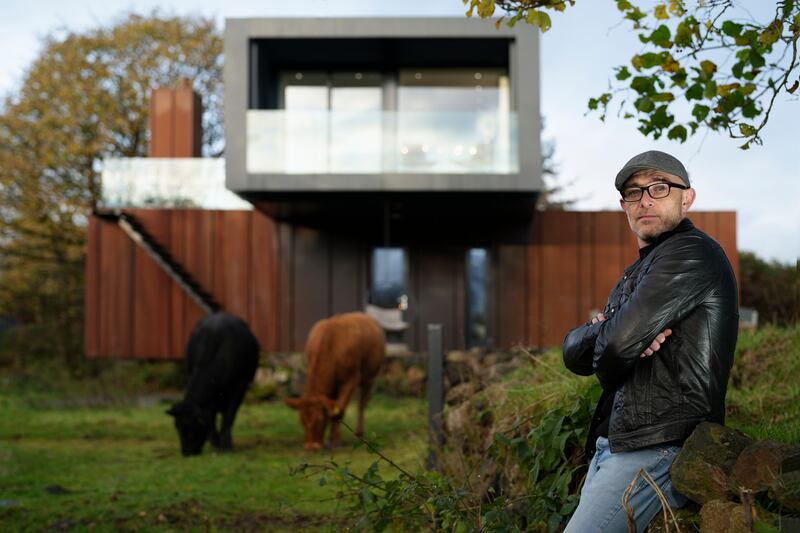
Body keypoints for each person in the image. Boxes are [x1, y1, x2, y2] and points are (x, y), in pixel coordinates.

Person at [562, 150, 738, 532]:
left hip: (658, 445)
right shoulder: (639, 271)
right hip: (617, 445)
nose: (644, 200)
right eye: (633, 192)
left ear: (686, 197)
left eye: (659, 188)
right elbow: (574, 355)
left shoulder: (691, 253)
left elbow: (610, 354)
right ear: (624, 205)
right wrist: (609, 333)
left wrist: (614, 337)